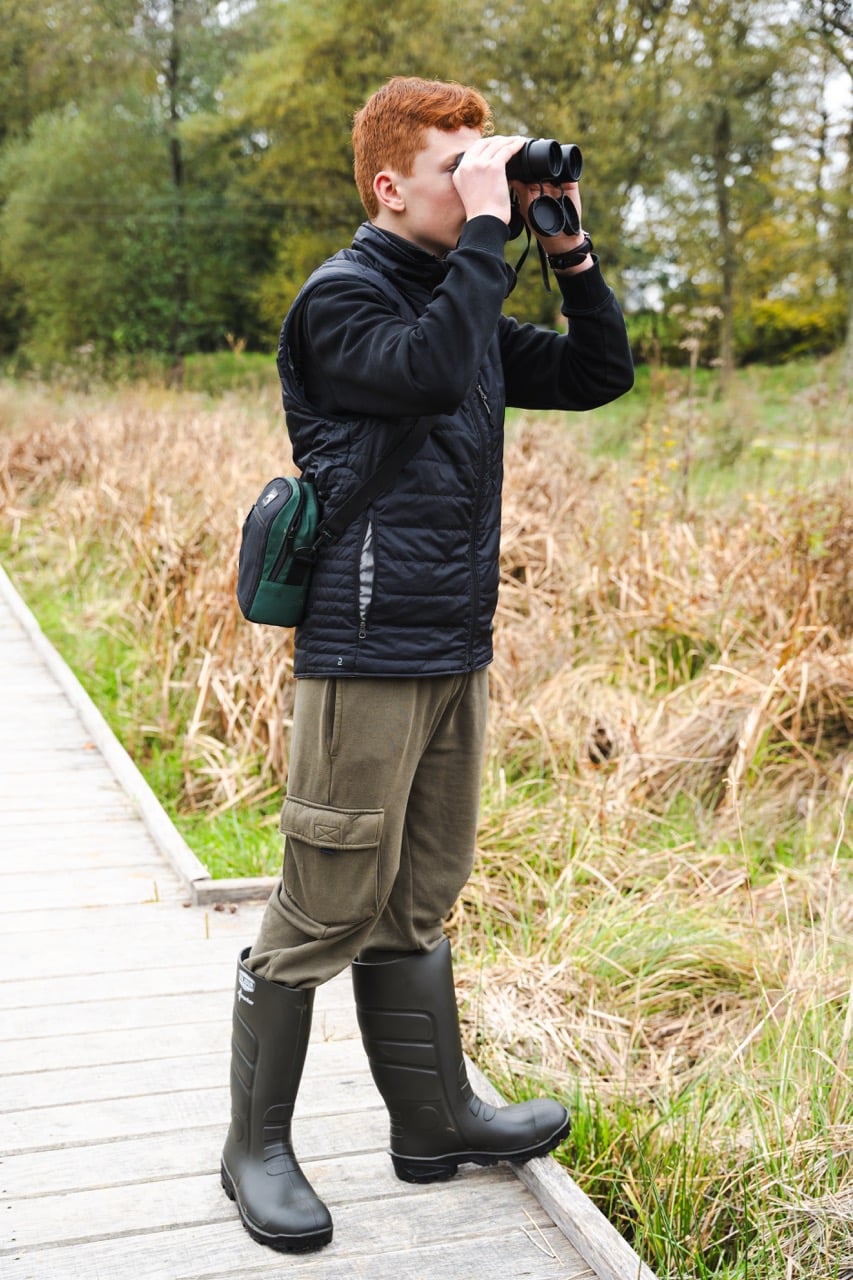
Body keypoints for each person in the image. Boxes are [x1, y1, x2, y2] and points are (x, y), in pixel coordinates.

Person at [221, 75, 634, 1254]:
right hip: (363, 651)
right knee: (324, 901)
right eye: (458, 168)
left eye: (484, 162)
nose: (478, 184)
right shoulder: (342, 300)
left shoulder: (462, 296)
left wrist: (568, 250)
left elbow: (596, 374)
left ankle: (431, 1119)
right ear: (389, 185)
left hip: (454, 643)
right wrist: (492, 232)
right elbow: (432, 370)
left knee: (420, 891)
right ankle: (253, 1147)